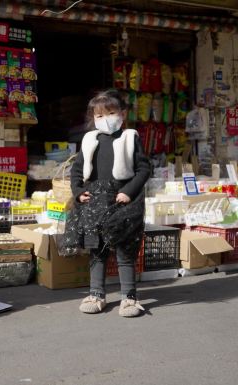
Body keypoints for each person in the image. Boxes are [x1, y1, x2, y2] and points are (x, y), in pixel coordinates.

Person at [65, 89, 150, 318]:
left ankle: (129, 298)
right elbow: (76, 170)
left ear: (122, 113)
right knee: (96, 249)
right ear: (93, 118)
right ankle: (96, 294)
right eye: (99, 116)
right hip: (94, 202)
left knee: (124, 251)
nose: (105, 120)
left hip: (122, 201)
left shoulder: (130, 137)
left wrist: (128, 192)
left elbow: (144, 169)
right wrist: (78, 192)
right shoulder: (89, 140)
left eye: (111, 113)